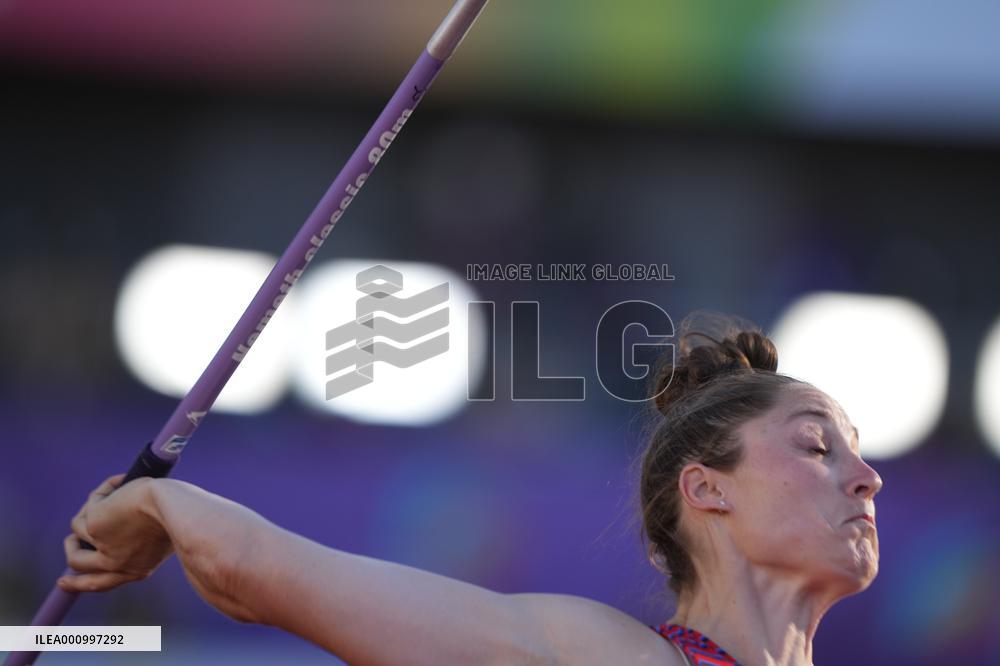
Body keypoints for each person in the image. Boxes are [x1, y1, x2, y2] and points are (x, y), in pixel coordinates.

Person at [59, 316, 882, 665]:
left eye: (855, 449)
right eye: (817, 445)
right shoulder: (599, 657)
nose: (866, 475)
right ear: (707, 491)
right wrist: (153, 505)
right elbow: (259, 569)